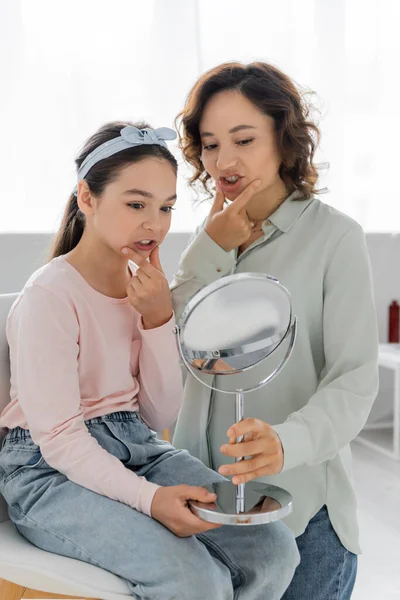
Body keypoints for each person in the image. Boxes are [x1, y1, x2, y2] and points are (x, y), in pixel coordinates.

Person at [0, 120, 299, 600]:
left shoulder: (144, 291)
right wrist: (151, 500)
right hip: (49, 474)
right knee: (194, 579)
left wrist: (159, 320)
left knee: (273, 550)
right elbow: (59, 440)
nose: (154, 224)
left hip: (138, 449)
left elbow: (159, 415)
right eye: (136, 204)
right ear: (87, 198)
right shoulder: (49, 297)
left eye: (166, 208)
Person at [169, 62, 379, 600]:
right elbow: (174, 350)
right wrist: (209, 249)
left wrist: (286, 443)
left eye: (243, 139)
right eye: (211, 145)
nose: (225, 161)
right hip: (204, 505)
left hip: (304, 516)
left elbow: (354, 382)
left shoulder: (336, 238)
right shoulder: (209, 239)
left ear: (285, 141)